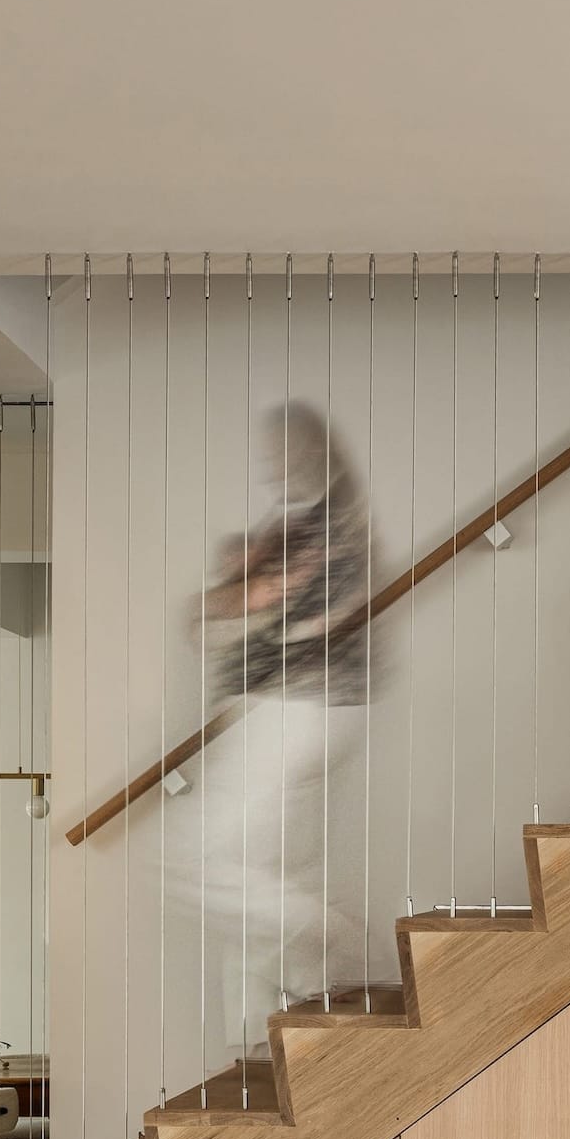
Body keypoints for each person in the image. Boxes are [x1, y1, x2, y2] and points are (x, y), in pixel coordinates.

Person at [177, 401, 373, 1064]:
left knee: (203, 860)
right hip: (278, 706)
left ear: (315, 451)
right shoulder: (298, 525)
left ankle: (334, 944)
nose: (275, 467)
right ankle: (276, 1030)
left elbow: (270, 603)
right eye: (271, 457)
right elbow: (237, 601)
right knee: (265, 867)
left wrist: (235, 600)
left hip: (302, 704)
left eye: (285, 453)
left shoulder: (327, 527)